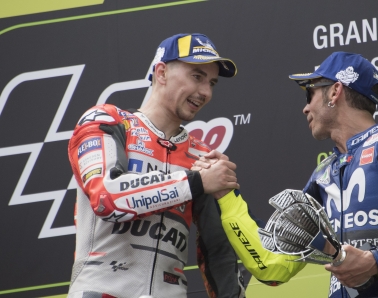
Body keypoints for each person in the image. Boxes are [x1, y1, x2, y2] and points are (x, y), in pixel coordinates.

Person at [202, 51, 378, 297]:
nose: (305, 107)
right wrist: (226, 195)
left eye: (309, 93)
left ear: (335, 91)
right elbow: (273, 264)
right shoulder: (323, 175)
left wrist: (376, 260)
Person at [67, 33, 246, 298]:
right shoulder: (107, 121)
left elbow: (218, 253)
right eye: (197, 77)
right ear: (161, 72)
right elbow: (107, 197)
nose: (205, 92)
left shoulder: (202, 155)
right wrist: (194, 182)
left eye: (212, 83)